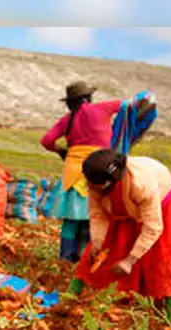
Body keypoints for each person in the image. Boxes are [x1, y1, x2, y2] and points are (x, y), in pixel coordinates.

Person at [67, 149, 171, 325]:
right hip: (125, 208)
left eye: (95, 187)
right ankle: (68, 298)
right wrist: (97, 244)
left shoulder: (142, 185)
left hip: (164, 206)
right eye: (90, 185)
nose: (91, 190)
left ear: (110, 183)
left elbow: (153, 227)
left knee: (165, 260)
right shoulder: (96, 183)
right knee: (97, 253)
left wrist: (130, 260)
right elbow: (97, 215)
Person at [41, 82, 122, 262]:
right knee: (92, 217)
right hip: (98, 170)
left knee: (71, 219)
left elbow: (46, 140)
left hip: (73, 171)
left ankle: (65, 259)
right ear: (88, 98)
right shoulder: (102, 108)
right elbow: (128, 105)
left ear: (71, 102)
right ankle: (86, 259)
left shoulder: (67, 119)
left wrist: (62, 151)